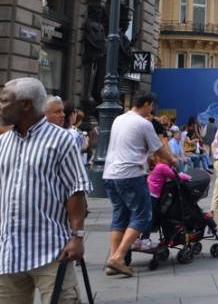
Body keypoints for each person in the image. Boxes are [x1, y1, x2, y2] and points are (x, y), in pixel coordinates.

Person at [0, 79, 91, 303]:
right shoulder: (3, 142)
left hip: (51, 250)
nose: (0, 106)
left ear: (25, 104)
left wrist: (77, 237)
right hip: (9, 250)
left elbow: (76, 190)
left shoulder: (61, 141)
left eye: (4, 101)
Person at [102, 91, 176, 276]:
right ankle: (118, 257)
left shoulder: (119, 119)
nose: (152, 110)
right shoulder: (143, 123)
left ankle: (113, 259)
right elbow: (158, 149)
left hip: (111, 174)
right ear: (147, 104)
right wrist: (173, 161)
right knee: (142, 216)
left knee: (120, 216)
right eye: (152, 106)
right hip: (130, 174)